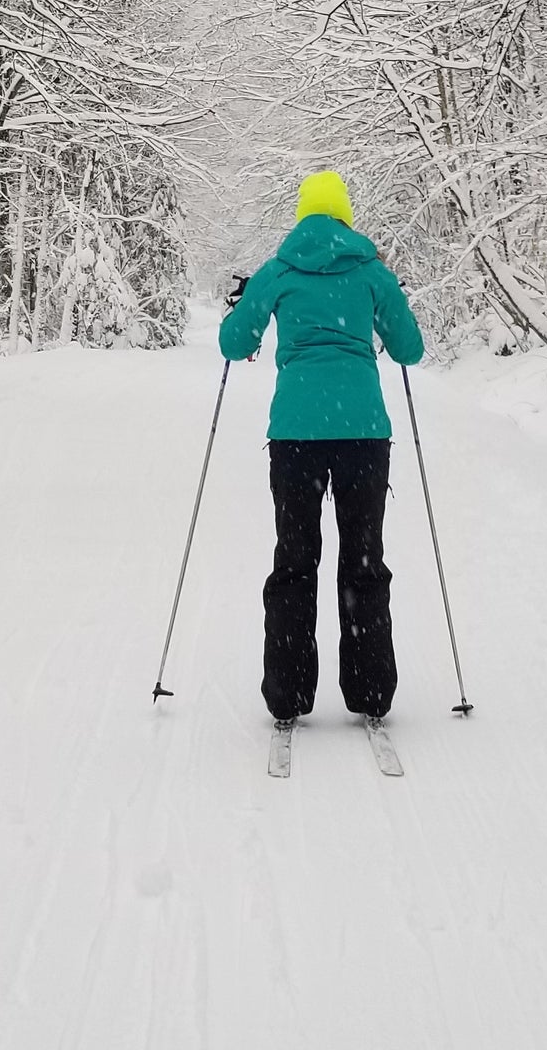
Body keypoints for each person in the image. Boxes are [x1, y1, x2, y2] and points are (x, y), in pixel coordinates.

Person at [219, 170, 424, 730]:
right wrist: (388, 302)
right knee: (362, 560)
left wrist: (243, 306)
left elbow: (234, 343)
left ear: (303, 215)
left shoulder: (279, 269)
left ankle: (286, 694)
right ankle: (370, 692)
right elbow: (410, 349)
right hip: (362, 433)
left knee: (295, 560)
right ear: (346, 216)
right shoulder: (370, 270)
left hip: (296, 436)